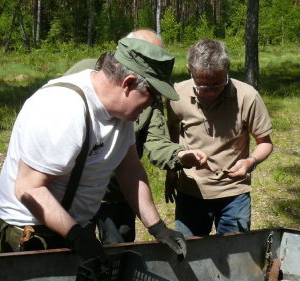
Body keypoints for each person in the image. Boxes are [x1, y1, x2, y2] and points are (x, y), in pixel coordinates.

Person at [0, 38, 187, 262]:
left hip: (71, 227)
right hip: (30, 230)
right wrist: (76, 235)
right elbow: (29, 189)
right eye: (153, 97)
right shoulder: (64, 110)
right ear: (128, 84)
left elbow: (130, 170)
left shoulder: (120, 113)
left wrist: (158, 228)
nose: (153, 106)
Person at [64, 29, 211, 244]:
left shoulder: (149, 94)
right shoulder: (83, 76)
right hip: (73, 194)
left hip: (117, 194)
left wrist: (181, 155)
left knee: (117, 257)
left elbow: (152, 146)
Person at [166, 39, 273, 237]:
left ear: (228, 69)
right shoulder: (176, 95)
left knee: (234, 256)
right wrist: (172, 171)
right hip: (191, 191)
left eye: (218, 84)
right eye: (203, 85)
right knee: (190, 256)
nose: (211, 92)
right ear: (190, 72)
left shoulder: (247, 97)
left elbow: (264, 143)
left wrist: (250, 162)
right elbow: (172, 126)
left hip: (234, 194)